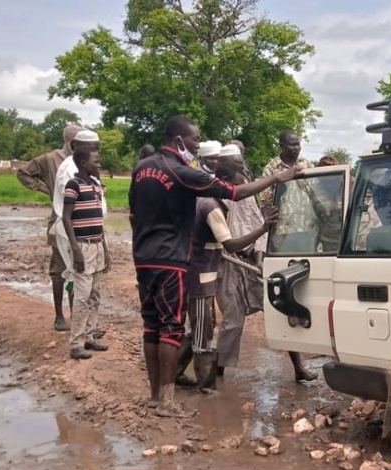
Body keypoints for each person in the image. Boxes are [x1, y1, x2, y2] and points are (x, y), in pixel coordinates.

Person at [129, 115, 303, 417]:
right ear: (180, 140)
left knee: (151, 327)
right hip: (172, 260)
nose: (197, 145)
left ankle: (155, 396)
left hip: (143, 257)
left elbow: (133, 213)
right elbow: (235, 193)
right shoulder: (183, 172)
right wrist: (277, 179)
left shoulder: (142, 169)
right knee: (171, 329)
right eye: (195, 139)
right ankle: (166, 403)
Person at [214, 144, 318, 382]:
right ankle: (217, 371)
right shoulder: (219, 196)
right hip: (230, 262)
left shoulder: (247, 192)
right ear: (226, 170)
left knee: (281, 309)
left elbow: (259, 230)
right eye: (238, 165)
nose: (244, 169)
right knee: (232, 321)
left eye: (243, 164)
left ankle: (298, 366)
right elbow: (232, 241)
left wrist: (260, 258)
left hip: (253, 260)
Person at [175, 157, 279, 390]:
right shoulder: (210, 207)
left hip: (199, 270)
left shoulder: (203, 201)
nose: (238, 193)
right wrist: (263, 228)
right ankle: (206, 386)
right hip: (202, 273)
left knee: (200, 325)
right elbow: (230, 245)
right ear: (222, 183)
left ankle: (176, 373)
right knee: (203, 328)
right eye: (235, 189)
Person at [17, 123, 82, 331]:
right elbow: (23, 173)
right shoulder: (49, 159)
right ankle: (59, 316)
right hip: (59, 220)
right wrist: (46, 189)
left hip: (80, 220)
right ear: (70, 142)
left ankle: (75, 315)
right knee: (59, 270)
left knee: (77, 269)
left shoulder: (80, 160)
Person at [60, 147, 110, 360]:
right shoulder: (74, 185)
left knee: (95, 294)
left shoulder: (95, 185)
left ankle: (89, 336)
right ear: (82, 162)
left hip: (97, 245)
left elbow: (99, 222)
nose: (98, 165)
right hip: (83, 245)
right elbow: (66, 218)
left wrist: (106, 250)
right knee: (82, 296)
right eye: (95, 162)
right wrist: (76, 249)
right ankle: (76, 343)